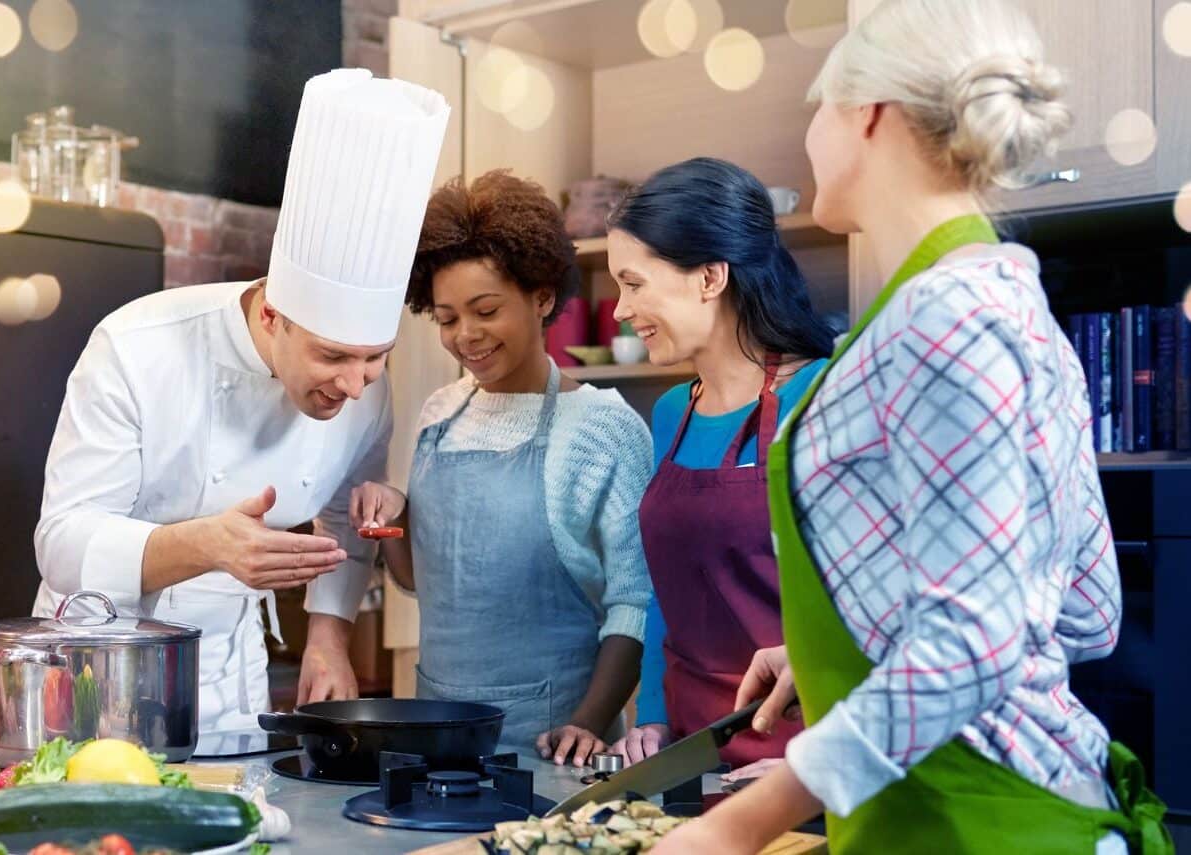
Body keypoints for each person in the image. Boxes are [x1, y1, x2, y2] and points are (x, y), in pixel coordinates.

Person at [653, 1, 1170, 852]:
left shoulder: (946, 319)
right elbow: (1085, 611)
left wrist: (741, 824)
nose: (810, 136)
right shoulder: (1008, 305)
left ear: (868, 115)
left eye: (818, 110)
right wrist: (845, 650)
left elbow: (976, 640)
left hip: (979, 822)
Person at [33, 68, 448, 734]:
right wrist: (204, 544)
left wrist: (328, 633)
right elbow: (61, 544)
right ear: (274, 313)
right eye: (333, 356)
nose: (355, 383)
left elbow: (346, 507)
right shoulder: (138, 347)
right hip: (97, 669)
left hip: (232, 678)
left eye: (375, 356)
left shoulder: (365, 386)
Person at [349, 170, 652, 760]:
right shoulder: (441, 413)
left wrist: (589, 724)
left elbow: (634, 602)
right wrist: (390, 520)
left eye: (485, 310)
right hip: (435, 732)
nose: (466, 336)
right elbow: (420, 581)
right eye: (446, 318)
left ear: (542, 297)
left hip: (555, 746)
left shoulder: (602, 429)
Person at [601, 158, 834, 777]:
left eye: (634, 283)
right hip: (689, 752)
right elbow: (662, 591)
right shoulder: (673, 411)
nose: (620, 310)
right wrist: (650, 717)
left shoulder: (824, 397)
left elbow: (864, 604)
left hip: (802, 755)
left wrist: (816, 757)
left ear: (709, 277)